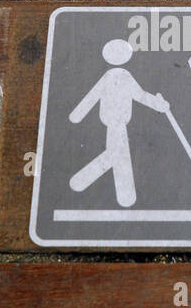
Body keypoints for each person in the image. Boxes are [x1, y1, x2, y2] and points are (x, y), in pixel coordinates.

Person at [68, 38, 170, 207]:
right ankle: (116, 193)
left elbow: (94, 96)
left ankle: (92, 184)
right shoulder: (121, 76)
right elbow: (140, 95)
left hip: (115, 123)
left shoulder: (113, 76)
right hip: (117, 123)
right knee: (118, 154)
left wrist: (160, 105)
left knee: (118, 154)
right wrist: (160, 105)